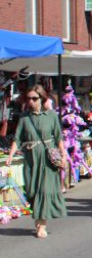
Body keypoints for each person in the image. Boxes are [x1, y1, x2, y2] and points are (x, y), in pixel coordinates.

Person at [6, 85, 68, 238]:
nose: (31, 101)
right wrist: (11, 156)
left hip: (47, 159)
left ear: (42, 99)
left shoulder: (51, 115)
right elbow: (18, 138)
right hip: (31, 159)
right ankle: (39, 219)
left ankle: (42, 225)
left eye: (35, 98)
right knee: (33, 191)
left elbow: (58, 137)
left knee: (44, 191)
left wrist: (64, 155)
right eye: (29, 99)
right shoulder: (24, 117)